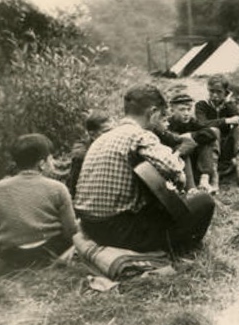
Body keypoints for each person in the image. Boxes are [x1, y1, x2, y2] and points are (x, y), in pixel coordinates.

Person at [75, 84, 215, 257]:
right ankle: (183, 248)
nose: (161, 121)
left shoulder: (103, 137)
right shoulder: (139, 135)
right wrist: (178, 174)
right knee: (204, 201)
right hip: (119, 231)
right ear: (153, 112)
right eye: (162, 116)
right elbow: (174, 168)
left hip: (90, 227)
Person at [0, 134, 77, 272]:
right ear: (41, 164)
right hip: (49, 253)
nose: (53, 163)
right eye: (51, 158)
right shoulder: (57, 188)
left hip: (12, 256)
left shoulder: (0, 187)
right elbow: (70, 231)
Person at [195, 74, 239, 188]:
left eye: (219, 92)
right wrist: (226, 121)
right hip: (208, 150)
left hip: (225, 148)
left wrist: (228, 103)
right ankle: (214, 176)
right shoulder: (202, 105)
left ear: (225, 92)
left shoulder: (228, 105)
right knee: (213, 130)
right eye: (211, 91)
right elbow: (201, 124)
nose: (215, 95)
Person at [156, 93, 220, 193]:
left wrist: (191, 136)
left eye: (189, 109)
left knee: (207, 141)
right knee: (184, 146)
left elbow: (211, 133)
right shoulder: (167, 124)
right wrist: (186, 140)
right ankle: (191, 187)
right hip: (177, 165)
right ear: (172, 111)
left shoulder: (192, 122)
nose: (186, 113)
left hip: (196, 164)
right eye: (182, 109)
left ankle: (205, 179)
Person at [68, 110, 115, 197]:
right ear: (92, 135)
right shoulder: (81, 154)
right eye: (107, 131)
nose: (113, 135)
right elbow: (73, 188)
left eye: (114, 130)